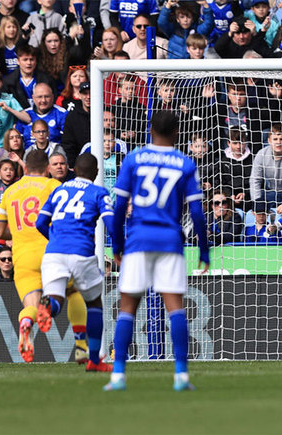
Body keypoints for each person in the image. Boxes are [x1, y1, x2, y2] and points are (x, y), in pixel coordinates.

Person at [105, 110, 209, 391]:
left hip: (138, 239)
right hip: (170, 241)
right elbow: (197, 212)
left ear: (150, 130)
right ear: (177, 132)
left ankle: (118, 376)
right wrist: (204, 249)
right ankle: (181, 376)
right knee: (175, 307)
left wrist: (116, 242)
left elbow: (118, 206)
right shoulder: (185, 163)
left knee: (127, 308)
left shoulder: (133, 159)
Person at [0, 150, 89, 363]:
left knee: (32, 307)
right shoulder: (54, 186)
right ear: (47, 168)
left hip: (23, 256)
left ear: (24, 168)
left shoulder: (10, 191)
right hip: (52, 251)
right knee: (73, 292)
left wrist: (17, 232)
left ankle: (26, 322)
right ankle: (82, 347)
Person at [34, 153, 114, 371]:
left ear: (73, 170)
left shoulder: (59, 190)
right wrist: (119, 248)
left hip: (54, 252)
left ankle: (47, 307)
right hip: (81, 252)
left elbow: (40, 222)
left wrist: (56, 239)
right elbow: (111, 223)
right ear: (96, 172)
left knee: (56, 297)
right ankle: (95, 360)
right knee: (94, 303)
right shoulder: (98, 192)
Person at [2, 44, 56, 109]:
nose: (29, 63)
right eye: (25, 60)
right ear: (18, 61)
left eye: (31, 59)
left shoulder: (47, 80)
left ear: (36, 61)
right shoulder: (8, 82)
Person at [16, 83, 67, 148]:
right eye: (39, 97)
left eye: (47, 96)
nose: (43, 100)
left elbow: (67, 142)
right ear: (33, 98)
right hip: (28, 155)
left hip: (54, 155)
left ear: (52, 96)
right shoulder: (25, 115)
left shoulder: (62, 114)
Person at [219, 127, 254, 210]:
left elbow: (259, 182)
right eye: (235, 143)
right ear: (228, 143)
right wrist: (230, 195)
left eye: (241, 143)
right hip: (228, 200)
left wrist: (245, 193)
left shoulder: (253, 159)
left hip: (250, 198)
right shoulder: (223, 161)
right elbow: (221, 182)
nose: (238, 146)